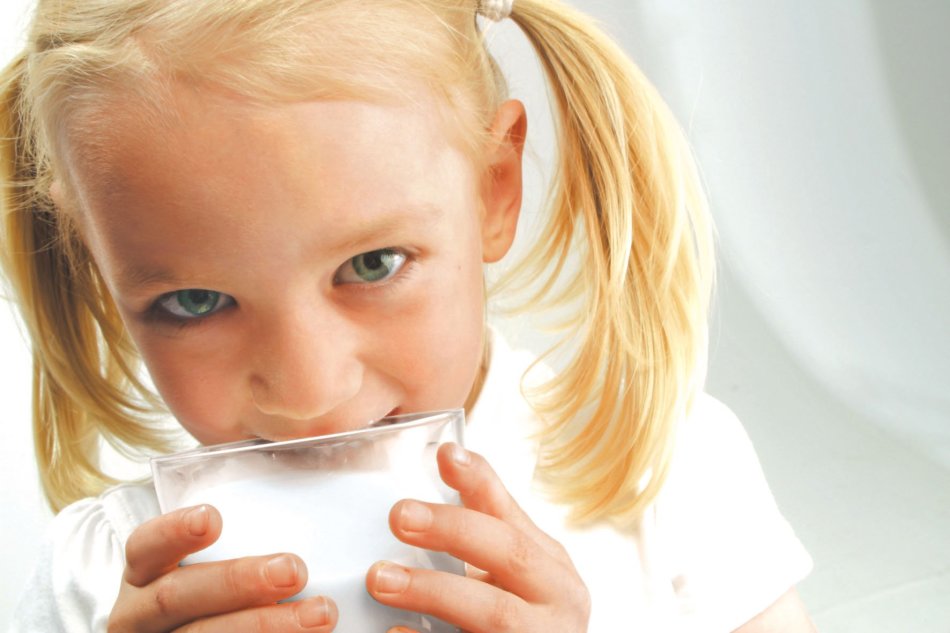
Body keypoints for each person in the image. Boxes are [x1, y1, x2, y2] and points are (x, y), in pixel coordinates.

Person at [0, 0, 816, 630]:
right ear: (99, 268)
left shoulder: (662, 475)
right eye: (195, 302)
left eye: (371, 265)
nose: (308, 390)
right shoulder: (104, 583)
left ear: (495, 189)